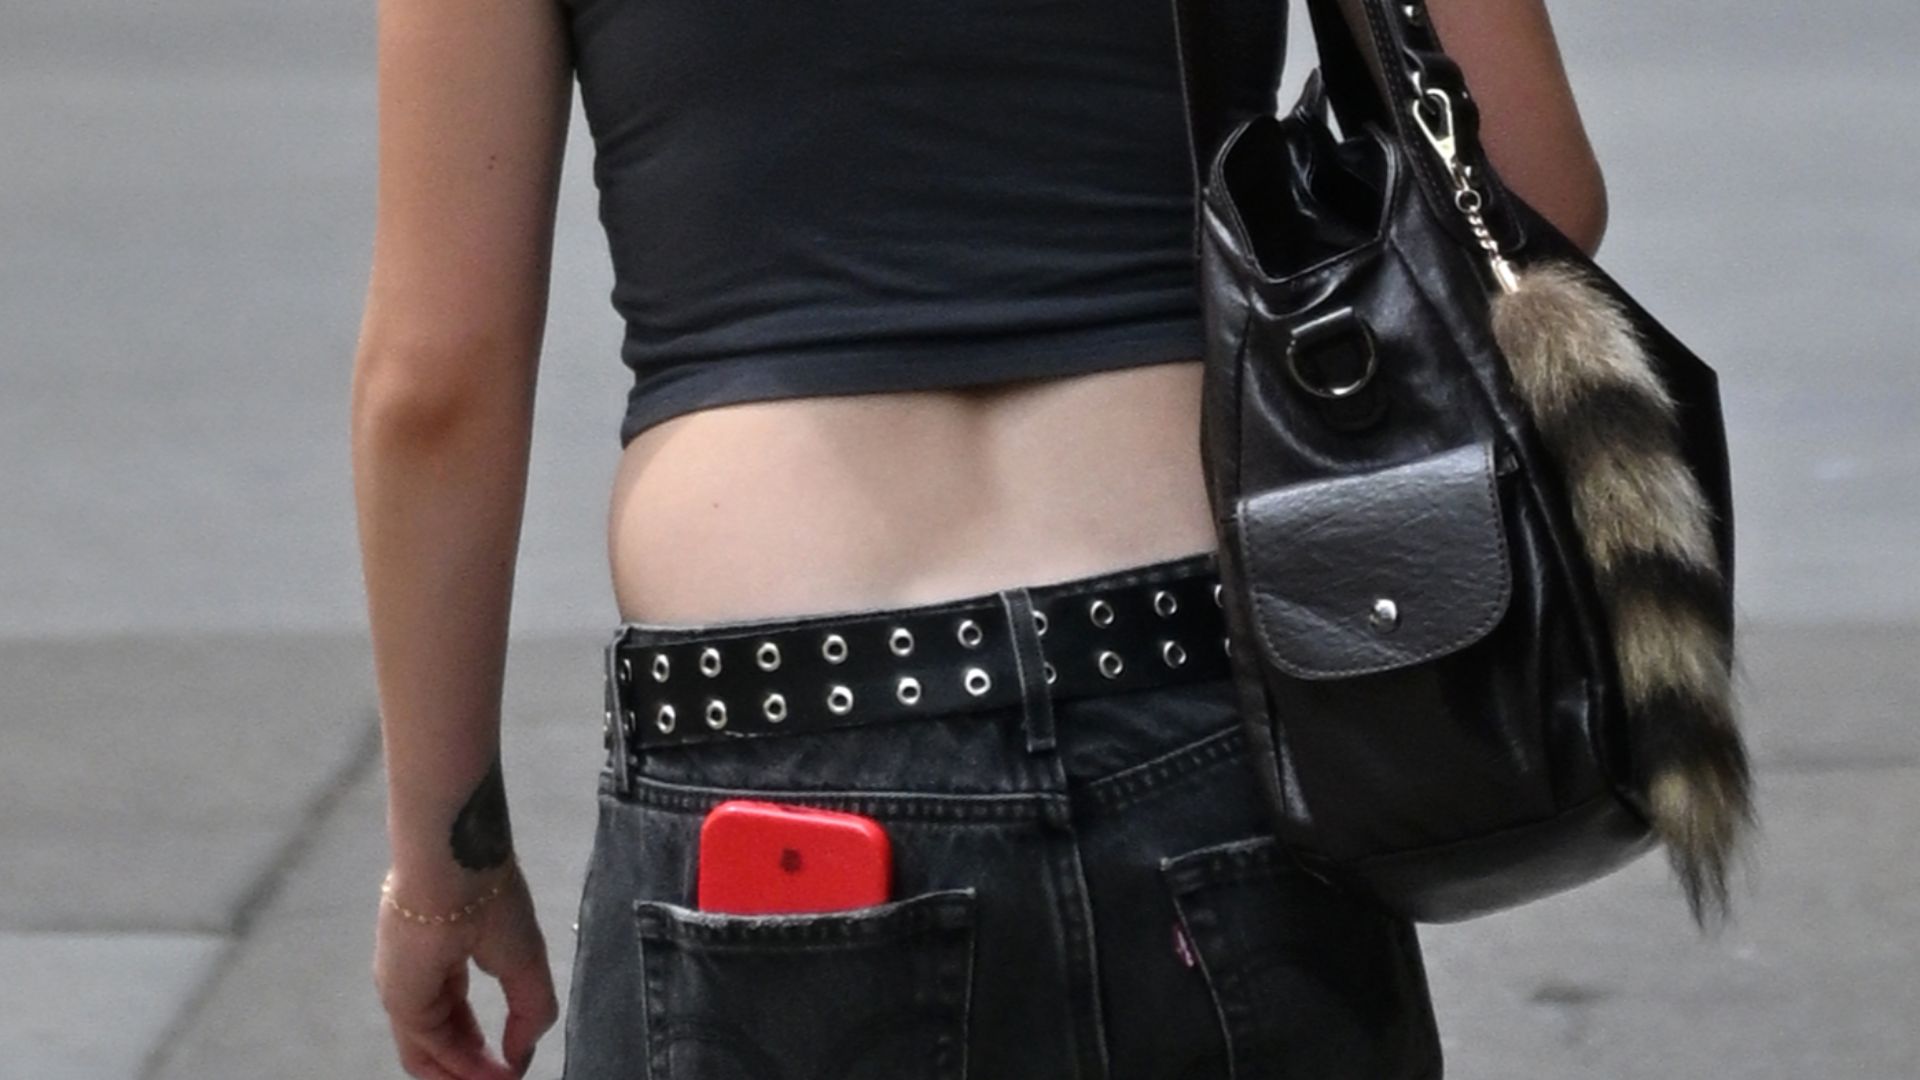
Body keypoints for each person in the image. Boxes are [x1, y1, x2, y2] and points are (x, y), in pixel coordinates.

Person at [351, 0, 1608, 1075]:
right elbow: (1531, 193)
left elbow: (436, 388)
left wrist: (448, 870)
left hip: (778, 727)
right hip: (1209, 683)